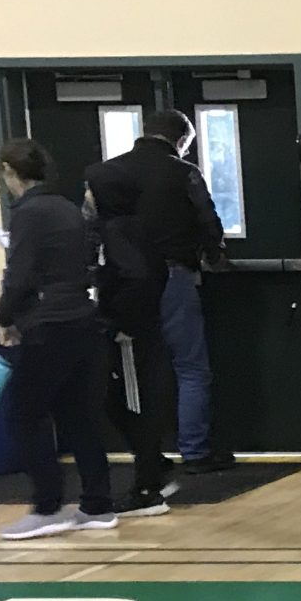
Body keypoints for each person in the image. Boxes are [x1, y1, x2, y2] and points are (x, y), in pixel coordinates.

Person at [0, 139, 118, 540]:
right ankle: (97, 505)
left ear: (11, 172)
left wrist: (5, 315)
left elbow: (21, 272)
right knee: (78, 415)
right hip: (82, 320)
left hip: (47, 325)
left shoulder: (28, 213)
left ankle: (48, 506)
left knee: (24, 414)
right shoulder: (67, 208)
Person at [107, 109, 232, 474]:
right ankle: (194, 451)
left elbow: (90, 227)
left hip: (123, 283)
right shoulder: (183, 173)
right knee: (191, 368)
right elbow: (209, 223)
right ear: (181, 141)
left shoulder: (106, 174)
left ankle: (148, 453)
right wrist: (215, 256)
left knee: (138, 372)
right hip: (173, 277)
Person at [81, 157, 177, 515]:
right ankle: (152, 463)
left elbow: (138, 278)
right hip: (130, 328)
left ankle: (148, 487)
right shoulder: (122, 228)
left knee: (134, 403)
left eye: (90, 189)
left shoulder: (120, 231)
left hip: (130, 334)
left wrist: (120, 321)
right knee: (114, 401)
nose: (87, 196)